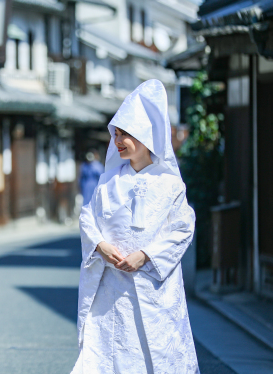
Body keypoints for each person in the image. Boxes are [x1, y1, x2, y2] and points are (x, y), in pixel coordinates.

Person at [72, 80, 198, 374]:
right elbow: (87, 217)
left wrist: (146, 255)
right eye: (115, 134)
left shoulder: (170, 185)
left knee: (155, 352)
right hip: (112, 285)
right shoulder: (107, 181)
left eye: (125, 134)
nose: (118, 141)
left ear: (145, 136)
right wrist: (100, 246)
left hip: (154, 284)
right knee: (110, 351)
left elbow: (182, 228)